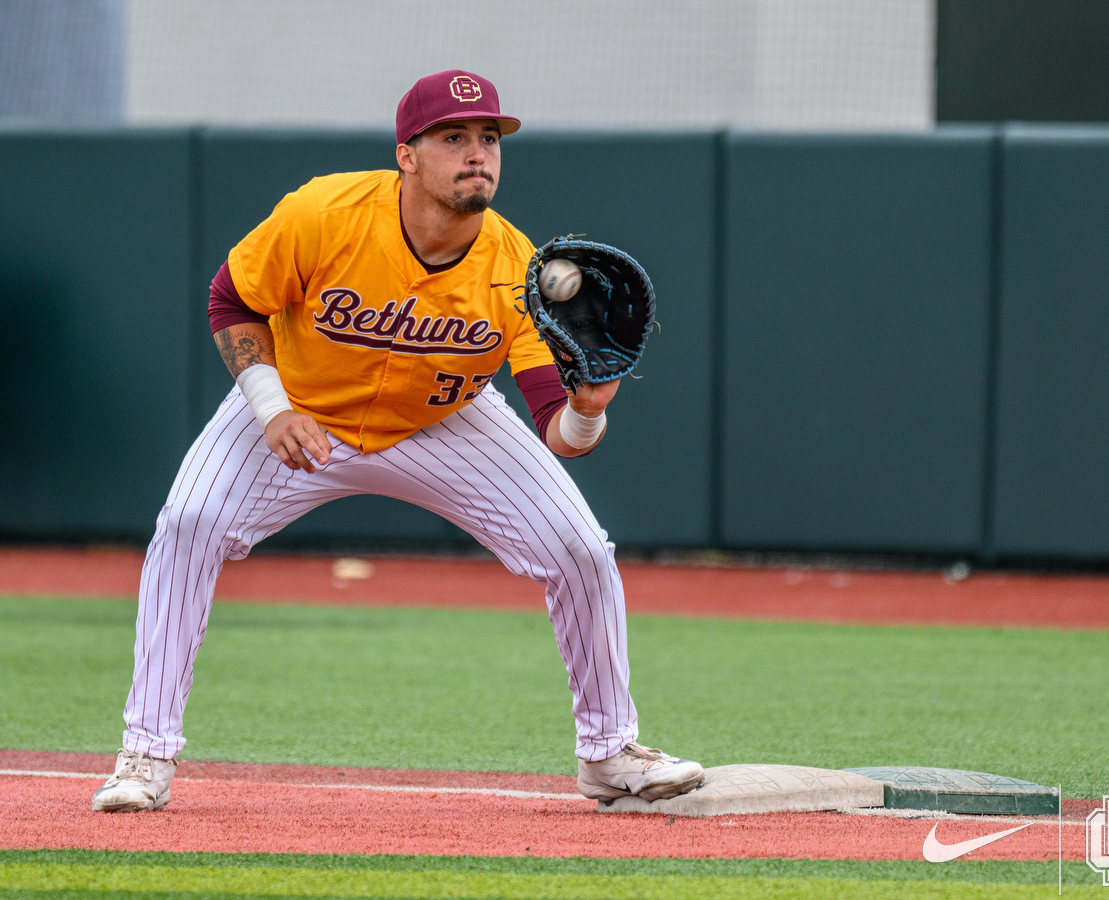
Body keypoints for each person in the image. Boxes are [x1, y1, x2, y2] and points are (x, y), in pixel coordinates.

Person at [91, 70, 704, 812]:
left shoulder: (519, 271)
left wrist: (591, 408)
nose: (477, 153)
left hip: (440, 422)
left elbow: (558, 433)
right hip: (299, 408)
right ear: (406, 156)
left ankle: (610, 754)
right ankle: (145, 753)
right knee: (188, 525)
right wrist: (270, 406)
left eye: (488, 139)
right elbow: (233, 297)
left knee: (580, 550)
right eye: (454, 138)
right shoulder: (326, 212)